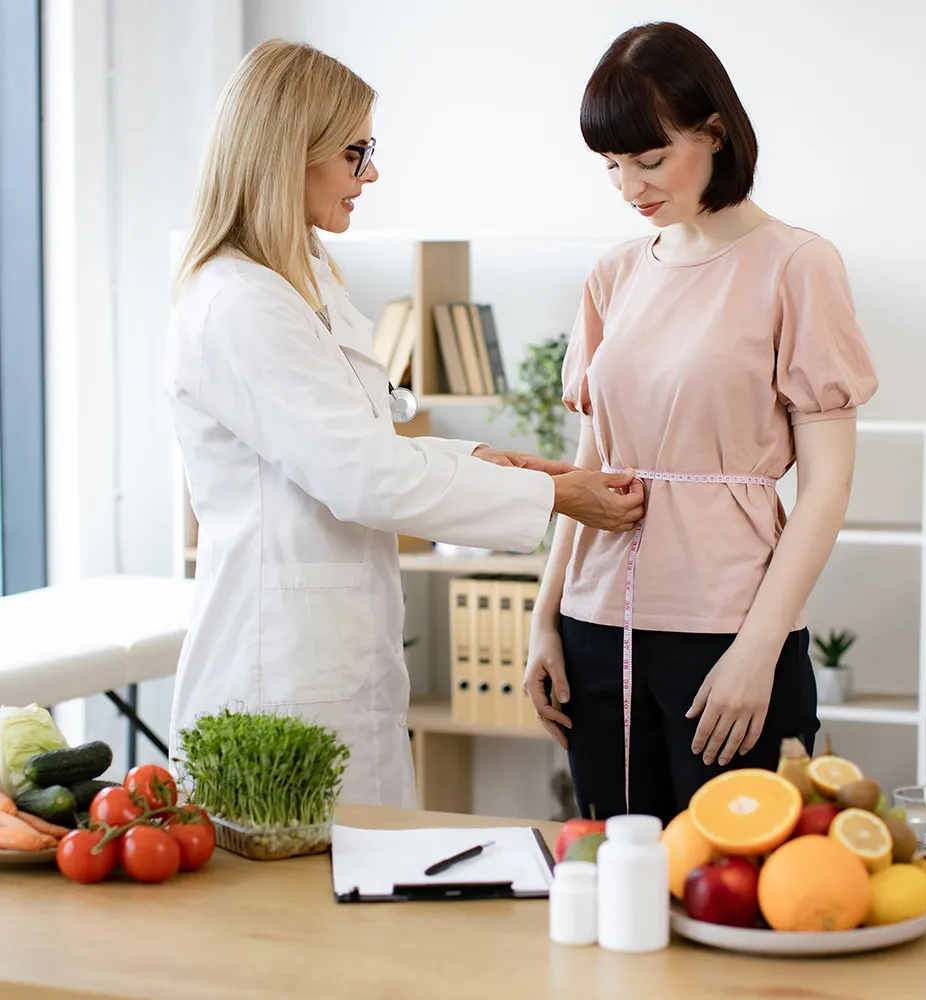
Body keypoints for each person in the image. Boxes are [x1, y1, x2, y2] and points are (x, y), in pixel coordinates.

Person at [164, 39, 644, 809]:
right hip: (277, 668)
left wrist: (491, 459)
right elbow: (362, 476)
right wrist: (555, 499)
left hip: (337, 649)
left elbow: (357, 440)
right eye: (356, 153)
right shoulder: (240, 304)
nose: (372, 175)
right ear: (292, 151)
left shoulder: (305, 278)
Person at [524, 22, 878, 826]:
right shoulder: (612, 274)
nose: (629, 188)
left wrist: (759, 650)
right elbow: (590, 466)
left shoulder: (797, 265)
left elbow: (827, 486)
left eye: (649, 161)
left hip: (728, 630)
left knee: (740, 891)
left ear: (714, 131)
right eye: (612, 167)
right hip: (593, 625)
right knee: (614, 879)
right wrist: (543, 619)